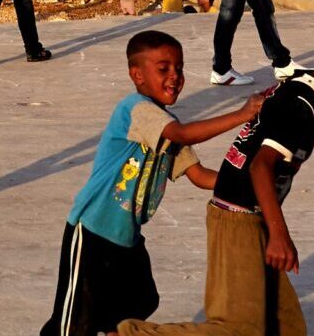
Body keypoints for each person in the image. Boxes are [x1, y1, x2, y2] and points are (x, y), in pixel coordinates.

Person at [114, 10, 314, 336]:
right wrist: (279, 235)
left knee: (286, 327)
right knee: (237, 330)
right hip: (239, 217)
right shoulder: (301, 106)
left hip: (251, 213)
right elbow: (262, 165)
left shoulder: (303, 91)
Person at [40, 31, 267, 336]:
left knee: (141, 299)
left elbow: (199, 176)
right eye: (164, 69)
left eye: (179, 68)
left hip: (127, 236)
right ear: (137, 75)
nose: (175, 76)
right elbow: (183, 134)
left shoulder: (165, 123)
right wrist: (243, 114)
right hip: (93, 232)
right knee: (71, 324)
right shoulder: (136, 109)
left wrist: (250, 181)